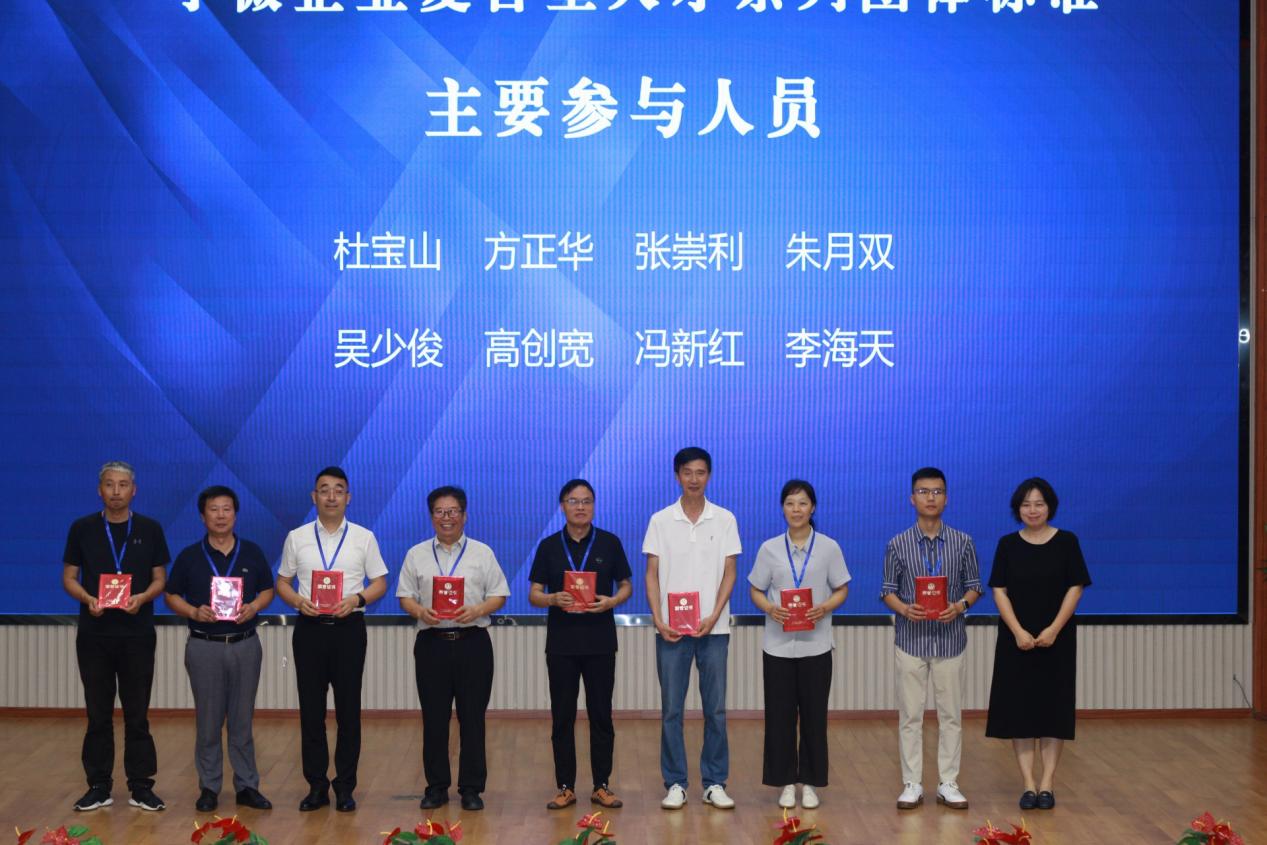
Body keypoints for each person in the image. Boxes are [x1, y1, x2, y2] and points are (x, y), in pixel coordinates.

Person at [275, 466, 388, 813]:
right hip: (309, 629)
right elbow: (282, 582)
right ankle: (316, 786)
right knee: (311, 712)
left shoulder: (364, 537)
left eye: (339, 490)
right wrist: (298, 602)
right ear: (314, 497)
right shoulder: (297, 537)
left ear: (348, 497)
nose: (331, 496)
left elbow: (380, 582)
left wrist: (357, 599)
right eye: (324, 490)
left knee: (348, 712)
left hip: (348, 630)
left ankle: (345, 787)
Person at [61, 461, 171, 813]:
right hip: (94, 635)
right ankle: (98, 786)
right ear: (100, 490)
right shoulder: (82, 528)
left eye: (123, 485)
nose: (116, 491)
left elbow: (160, 579)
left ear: (133, 490)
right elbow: (69, 577)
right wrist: (87, 599)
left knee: (137, 714)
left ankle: (141, 786)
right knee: (98, 714)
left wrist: (143, 597)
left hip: (137, 635)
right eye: (109, 485)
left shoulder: (150, 529)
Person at [398, 486, 509, 812]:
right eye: (439, 512)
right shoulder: (416, 554)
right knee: (434, 719)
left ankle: (471, 788)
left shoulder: (482, 553)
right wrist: (420, 612)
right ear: (431, 516)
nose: (446, 518)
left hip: (473, 643)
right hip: (431, 644)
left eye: (453, 511)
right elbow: (405, 596)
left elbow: (499, 594)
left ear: (464, 515)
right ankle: (436, 787)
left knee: (472, 719)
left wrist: (478, 610)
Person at [165, 485, 274, 813]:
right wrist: (192, 611)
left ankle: (247, 786)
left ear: (235, 515)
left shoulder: (252, 552)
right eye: (214, 509)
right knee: (208, 721)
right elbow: (171, 595)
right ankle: (209, 787)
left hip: (245, 644)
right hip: (205, 645)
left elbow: (268, 590)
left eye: (227, 509)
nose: (221, 515)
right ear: (203, 516)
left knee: (242, 720)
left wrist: (254, 607)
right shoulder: (189, 556)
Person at [644, 446, 741, 810]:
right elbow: (651, 574)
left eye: (700, 472)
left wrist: (714, 614)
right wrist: (658, 618)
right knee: (672, 710)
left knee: (715, 709)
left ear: (709, 476)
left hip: (713, 631)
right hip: (672, 631)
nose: (694, 479)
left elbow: (730, 571)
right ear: (677, 476)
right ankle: (675, 783)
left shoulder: (725, 519)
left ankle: (715, 782)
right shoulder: (660, 520)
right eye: (687, 472)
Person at [985, 477, 1091, 811]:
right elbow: (999, 590)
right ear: (1018, 509)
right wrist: (1017, 630)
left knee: (1052, 712)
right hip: (1016, 641)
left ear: (1050, 507)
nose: (1033, 510)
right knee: (1020, 713)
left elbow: (1076, 587)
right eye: (1026, 504)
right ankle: (1028, 784)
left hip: (1056, 640)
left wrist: (1054, 629)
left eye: (1039, 504)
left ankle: (1047, 784)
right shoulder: (1007, 544)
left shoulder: (1067, 542)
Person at [880, 467, 982, 811]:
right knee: (910, 715)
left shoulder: (963, 542)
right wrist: (904, 609)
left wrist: (960, 606)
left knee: (951, 715)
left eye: (937, 491)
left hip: (950, 641)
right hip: (911, 641)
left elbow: (974, 586)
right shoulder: (897, 544)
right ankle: (912, 783)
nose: (930, 497)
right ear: (912, 498)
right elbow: (887, 590)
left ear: (946, 498)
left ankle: (948, 782)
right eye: (923, 492)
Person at [528, 480, 633, 812]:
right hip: (562, 645)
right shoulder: (549, 546)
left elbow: (626, 585)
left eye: (587, 501)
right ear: (562, 506)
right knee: (562, 717)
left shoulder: (609, 542)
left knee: (601, 716)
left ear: (594, 505)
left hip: (600, 643)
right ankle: (565, 787)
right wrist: (552, 599)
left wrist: (612, 601)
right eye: (574, 501)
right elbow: (534, 594)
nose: (581, 507)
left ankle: (601, 785)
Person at [748, 480, 850, 810]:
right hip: (777, 647)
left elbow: (842, 588)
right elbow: (755, 589)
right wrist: (769, 608)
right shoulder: (769, 549)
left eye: (803, 503)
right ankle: (785, 783)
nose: (796, 509)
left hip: (816, 647)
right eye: (790, 503)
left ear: (813, 508)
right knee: (779, 717)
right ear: (782, 508)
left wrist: (825, 607)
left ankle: (810, 783)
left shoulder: (829, 548)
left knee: (814, 717)